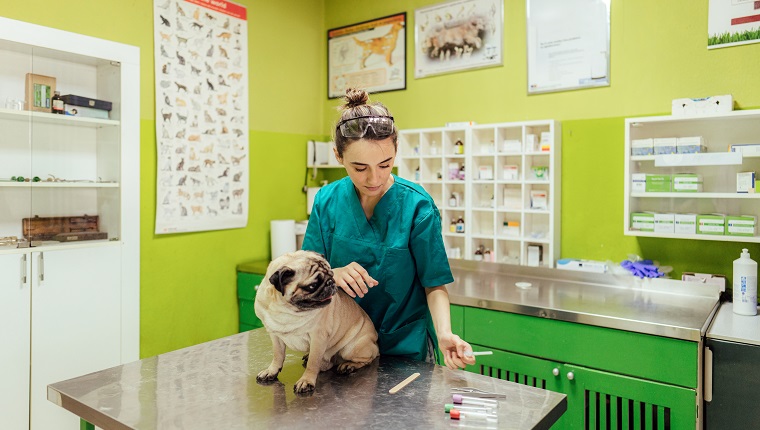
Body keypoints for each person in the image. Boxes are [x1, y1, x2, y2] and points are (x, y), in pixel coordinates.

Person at [302, 88, 476, 369]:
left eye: (385, 164)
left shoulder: (416, 206)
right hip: (340, 345)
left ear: (396, 151)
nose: (375, 178)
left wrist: (445, 333)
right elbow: (308, 273)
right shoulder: (327, 201)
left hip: (402, 349)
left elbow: (434, 282)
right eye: (360, 168)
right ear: (338, 156)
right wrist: (332, 275)